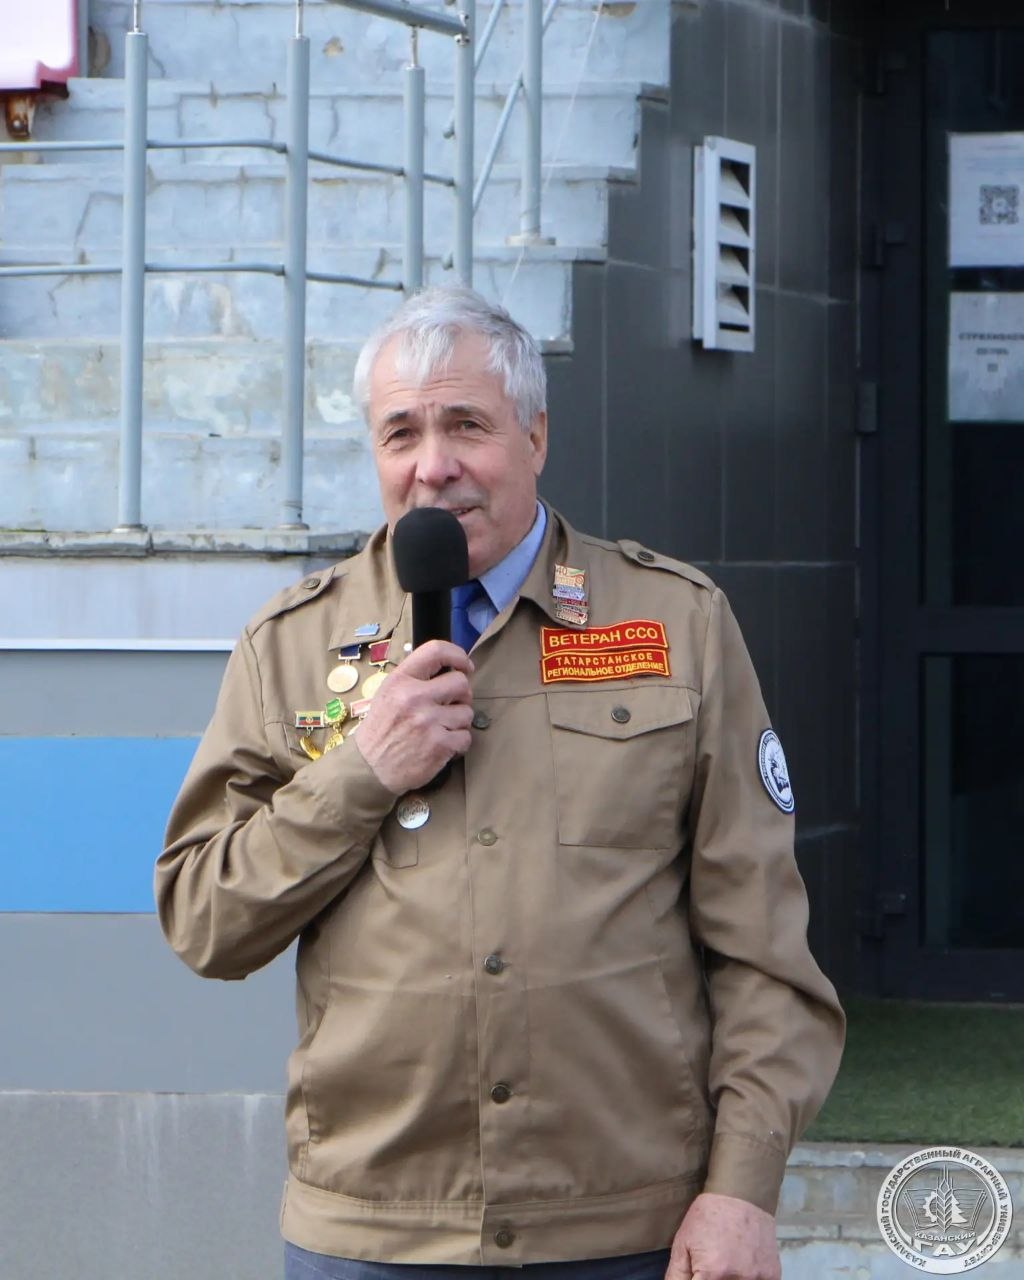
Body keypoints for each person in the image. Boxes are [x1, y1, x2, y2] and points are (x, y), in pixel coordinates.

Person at [155, 285, 845, 1280]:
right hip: (377, 1230)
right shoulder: (291, 643)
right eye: (401, 433)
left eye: (466, 425)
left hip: (623, 1225)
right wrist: (363, 771)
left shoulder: (675, 623)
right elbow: (205, 921)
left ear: (536, 435)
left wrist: (742, 1186)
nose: (432, 464)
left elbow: (763, 945)